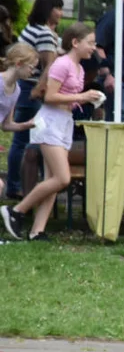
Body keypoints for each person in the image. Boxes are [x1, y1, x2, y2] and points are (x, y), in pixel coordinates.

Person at [1, 24, 103, 242]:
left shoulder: (79, 68)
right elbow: (49, 97)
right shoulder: (62, 65)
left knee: (52, 179)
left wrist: (87, 101)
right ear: (75, 43)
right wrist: (82, 97)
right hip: (50, 123)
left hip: (64, 122)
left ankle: (37, 230)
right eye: (91, 43)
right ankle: (17, 210)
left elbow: (69, 98)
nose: (94, 47)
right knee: (63, 178)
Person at [6, 0, 63, 199]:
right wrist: (38, 90)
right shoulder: (46, 33)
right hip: (31, 90)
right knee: (30, 143)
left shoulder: (31, 29)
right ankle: (22, 187)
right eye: (58, 8)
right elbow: (49, 67)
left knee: (19, 141)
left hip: (22, 86)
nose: (61, 13)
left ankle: (14, 185)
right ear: (49, 10)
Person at [0, 44, 40, 200]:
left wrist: (28, 124)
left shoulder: (16, 90)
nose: (33, 72)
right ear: (18, 64)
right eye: (31, 67)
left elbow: (6, 125)